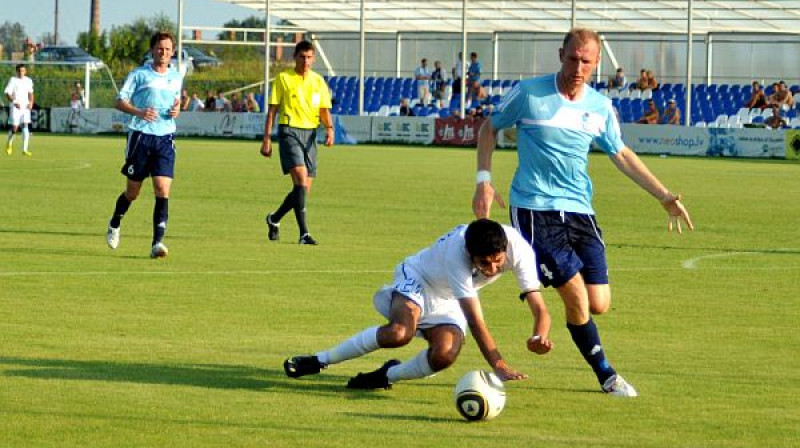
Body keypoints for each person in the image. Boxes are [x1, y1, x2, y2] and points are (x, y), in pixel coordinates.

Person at [472, 28, 694, 398]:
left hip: (580, 210)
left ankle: (545, 283)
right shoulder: (528, 94)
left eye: (586, 61)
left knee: (598, 303)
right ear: (561, 55)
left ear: (596, 64)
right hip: (534, 207)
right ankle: (607, 375)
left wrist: (663, 195)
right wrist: (484, 180)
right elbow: (488, 128)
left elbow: (620, 153)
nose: (578, 67)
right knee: (575, 294)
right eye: (572, 58)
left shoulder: (600, 106)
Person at [283, 219, 553, 389]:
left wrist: (540, 335)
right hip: (419, 279)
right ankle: (319, 360)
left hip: (449, 300)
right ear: (471, 254)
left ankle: (387, 376)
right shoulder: (456, 254)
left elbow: (539, 306)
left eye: (497, 260)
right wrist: (499, 364)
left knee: (444, 355)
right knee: (399, 333)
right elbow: (475, 320)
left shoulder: (520, 251)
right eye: (484, 263)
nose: (493, 268)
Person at [105, 31, 183, 259]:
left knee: (162, 188)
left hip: (166, 137)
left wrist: (178, 109)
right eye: (160, 48)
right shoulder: (139, 75)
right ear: (152, 50)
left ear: (173, 52)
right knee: (133, 192)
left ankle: (157, 243)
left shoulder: (176, 76)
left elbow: (177, 101)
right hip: (140, 136)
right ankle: (115, 221)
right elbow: (119, 101)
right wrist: (139, 111)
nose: (164, 53)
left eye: (168, 49)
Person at [261, 40, 334, 246]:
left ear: (314, 58)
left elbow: (323, 109)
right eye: (302, 56)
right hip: (289, 131)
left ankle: (274, 219)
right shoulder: (283, 79)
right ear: (295, 57)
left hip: (310, 134)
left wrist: (329, 129)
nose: (306, 61)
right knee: (301, 180)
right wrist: (266, 139)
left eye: (310, 57)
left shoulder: (318, 81)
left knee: (303, 190)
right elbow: (273, 110)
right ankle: (304, 234)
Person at [4, 63, 35, 156]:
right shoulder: (13, 80)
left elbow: (31, 93)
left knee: (25, 125)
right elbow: (7, 93)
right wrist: (14, 102)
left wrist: (31, 103)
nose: (21, 72)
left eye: (23, 71)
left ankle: (24, 149)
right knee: (15, 128)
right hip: (15, 107)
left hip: (25, 107)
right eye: (19, 71)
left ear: (25, 71)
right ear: (16, 72)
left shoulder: (29, 80)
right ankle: (9, 143)